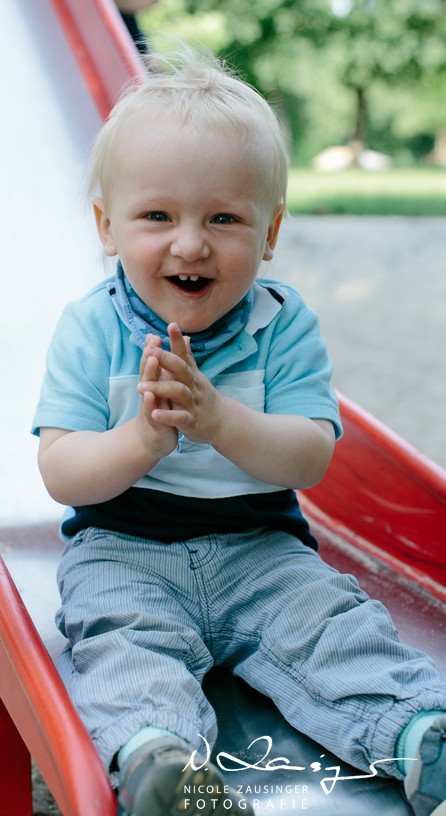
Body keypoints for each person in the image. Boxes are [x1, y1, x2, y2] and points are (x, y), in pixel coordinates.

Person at [31, 47, 446, 816]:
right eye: (157, 216)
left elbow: (311, 455)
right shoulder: (90, 330)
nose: (190, 243)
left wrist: (220, 422)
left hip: (261, 552)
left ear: (271, 231)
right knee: (122, 647)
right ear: (107, 226)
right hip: (124, 552)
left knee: (332, 630)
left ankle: (419, 735)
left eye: (223, 218)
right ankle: (164, 764)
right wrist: (141, 443)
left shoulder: (282, 328)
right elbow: (61, 470)